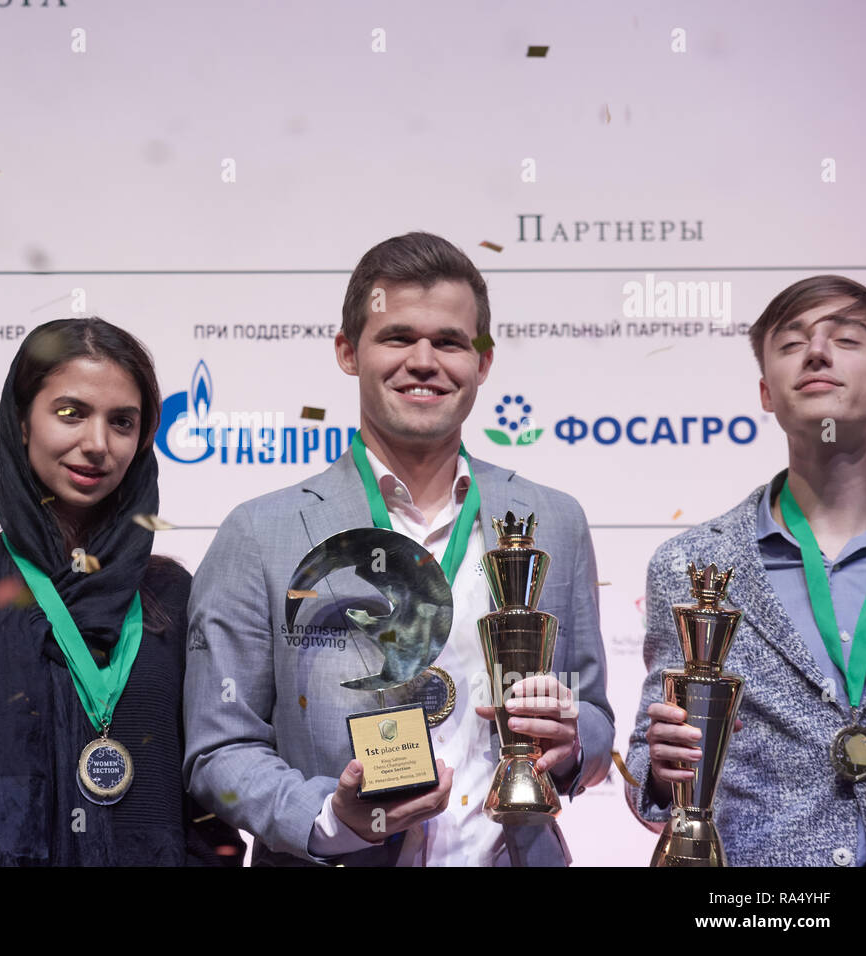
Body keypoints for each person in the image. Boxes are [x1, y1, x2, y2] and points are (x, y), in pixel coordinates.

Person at [183, 232, 614, 866]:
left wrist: (573, 748)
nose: (423, 361)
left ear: (483, 362)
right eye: (397, 338)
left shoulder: (554, 522)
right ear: (347, 352)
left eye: (448, 342)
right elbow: (218, 752)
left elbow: (595, 713)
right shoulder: (259, 534)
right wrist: (333, 820)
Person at [0, 317, 239, 866]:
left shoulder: (173, 593)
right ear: (21, 422)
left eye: (122, 422)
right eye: (71, 413)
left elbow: (207, 815)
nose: (97, 444)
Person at [626, 275, 866, 866]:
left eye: (846, 338)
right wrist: (666, 773)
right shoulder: (690, 568)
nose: (817, 352)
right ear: (767, 392)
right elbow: (646, 770)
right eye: (792, 344)